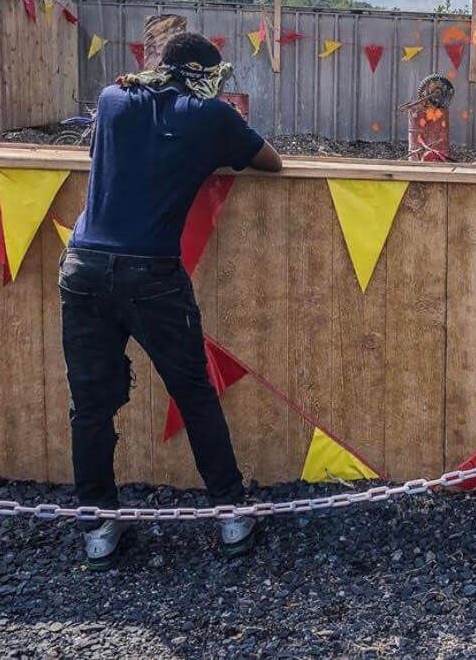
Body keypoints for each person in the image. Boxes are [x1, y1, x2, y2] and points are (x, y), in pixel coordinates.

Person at [60, 32, 282, 569]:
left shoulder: (113, 100)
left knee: (90, 405)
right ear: (208, 75)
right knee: (194, 393)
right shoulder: (213, 116)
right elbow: (272, 162)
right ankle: (230, 516)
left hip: (83, 266)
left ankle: (98, 527)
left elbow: (101, 148)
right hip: (152, 272)